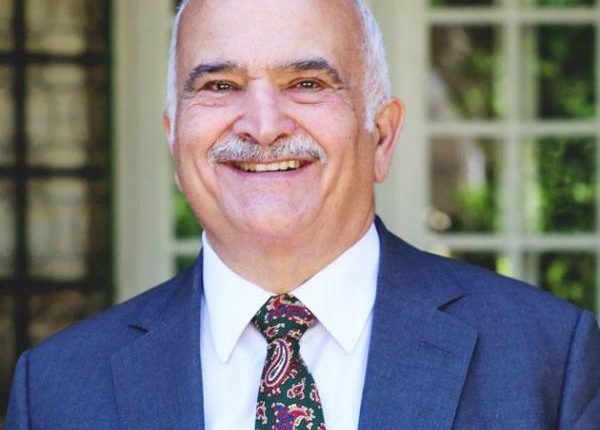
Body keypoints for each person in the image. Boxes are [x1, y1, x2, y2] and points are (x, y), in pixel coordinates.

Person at [5, 0, 600, 428]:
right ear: (174, 140)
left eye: (308, 83)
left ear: (382, 137)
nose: (263, 126)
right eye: (219, 86)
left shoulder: (548, 360)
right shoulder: (57, 391)